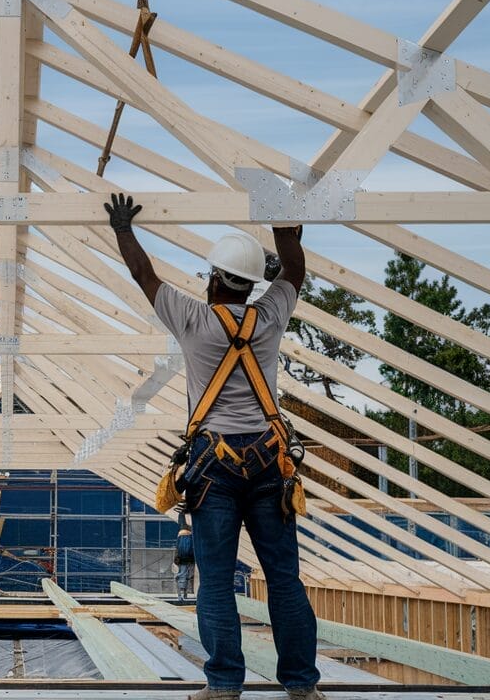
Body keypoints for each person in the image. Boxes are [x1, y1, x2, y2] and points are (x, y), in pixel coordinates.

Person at [104, 193, 321, 700]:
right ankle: (302, 687)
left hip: (215, 467)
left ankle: (224, 685)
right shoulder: (268, 317)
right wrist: (284, 225)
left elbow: (144, 274)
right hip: (270, 462)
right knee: (284, 581)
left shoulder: (194, 321)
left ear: (215, 279)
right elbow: (294, 270)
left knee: (217, 582)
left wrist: (122, 229)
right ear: (249, 284)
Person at [174, 515, 194, 603]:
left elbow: (177, 549)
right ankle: (183, 594)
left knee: (183, 576)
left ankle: (182, 594)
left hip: (184, 539)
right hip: (185, 539)